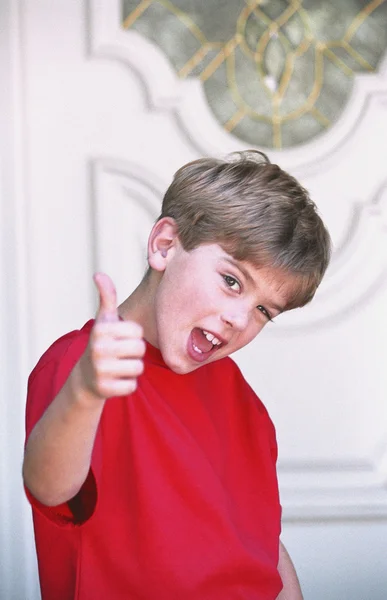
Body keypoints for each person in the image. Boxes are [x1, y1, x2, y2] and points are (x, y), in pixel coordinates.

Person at [23, 150, 331, 600]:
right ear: (165, 244)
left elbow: (259, 544)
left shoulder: (241, 401)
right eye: (232, 281)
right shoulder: (81, 369)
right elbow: (49, 488)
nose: (239, 319)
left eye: (264, 310)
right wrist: (85, 393)